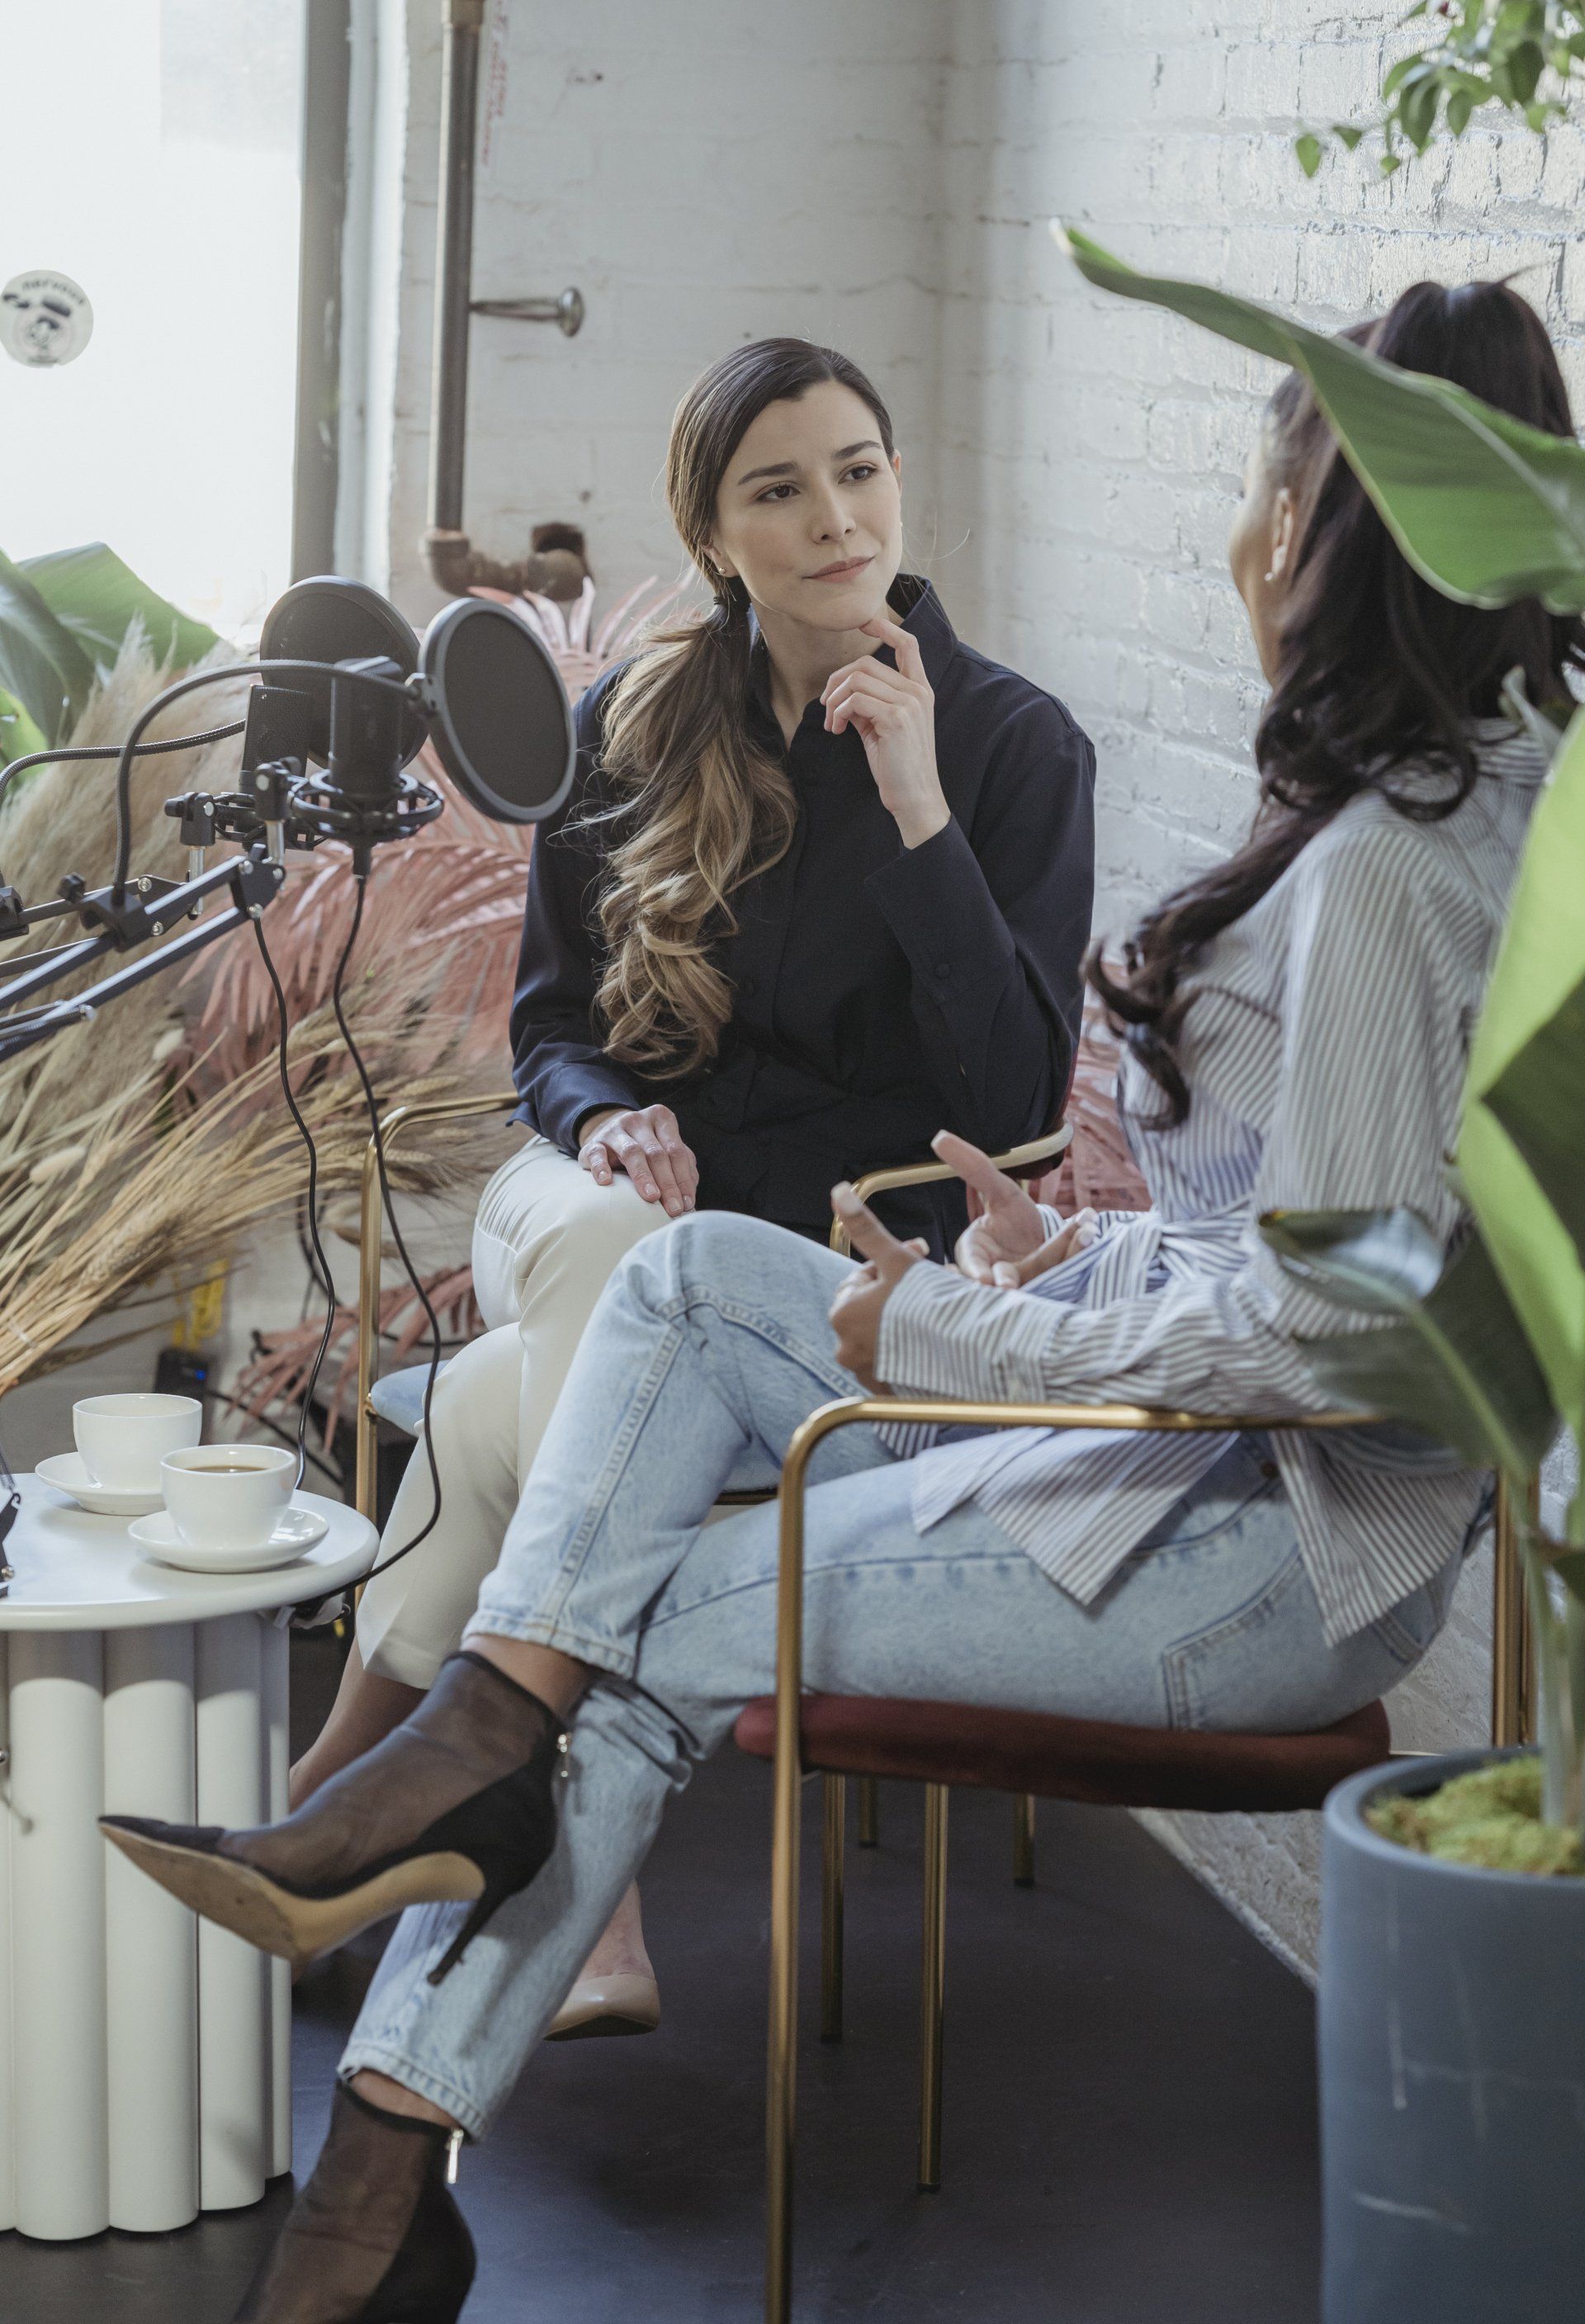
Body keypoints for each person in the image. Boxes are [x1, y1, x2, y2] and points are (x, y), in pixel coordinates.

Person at [103, 276, 1580, 2324]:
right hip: (1156, 1443)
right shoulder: (1491, 799)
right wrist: (1073, 1258)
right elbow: (1334, 1246)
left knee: (636, 1629)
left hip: (1259, 1548)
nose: (1241, 538)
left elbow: (1335, 1335)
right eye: (780, 488)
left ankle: (374, 2153)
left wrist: (964, 1328)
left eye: (1269, 486)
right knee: (689, 1279)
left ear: (1337, 527)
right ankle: (422, 1872)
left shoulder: (1360, 856)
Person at [289, 334, 1095, 2036]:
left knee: (501, 1414)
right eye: (779, 489)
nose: (834, 517)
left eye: (859, 470)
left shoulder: (1013, 745)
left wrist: (919, 807)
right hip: (587, 1201)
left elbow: (1019, 1102)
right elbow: (550, 1027)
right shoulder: (637, 718)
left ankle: (327, 1816)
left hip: (840, 1278)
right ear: (715, 533)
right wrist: (603, 1126)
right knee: (605, 1253)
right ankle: (592, 1879)